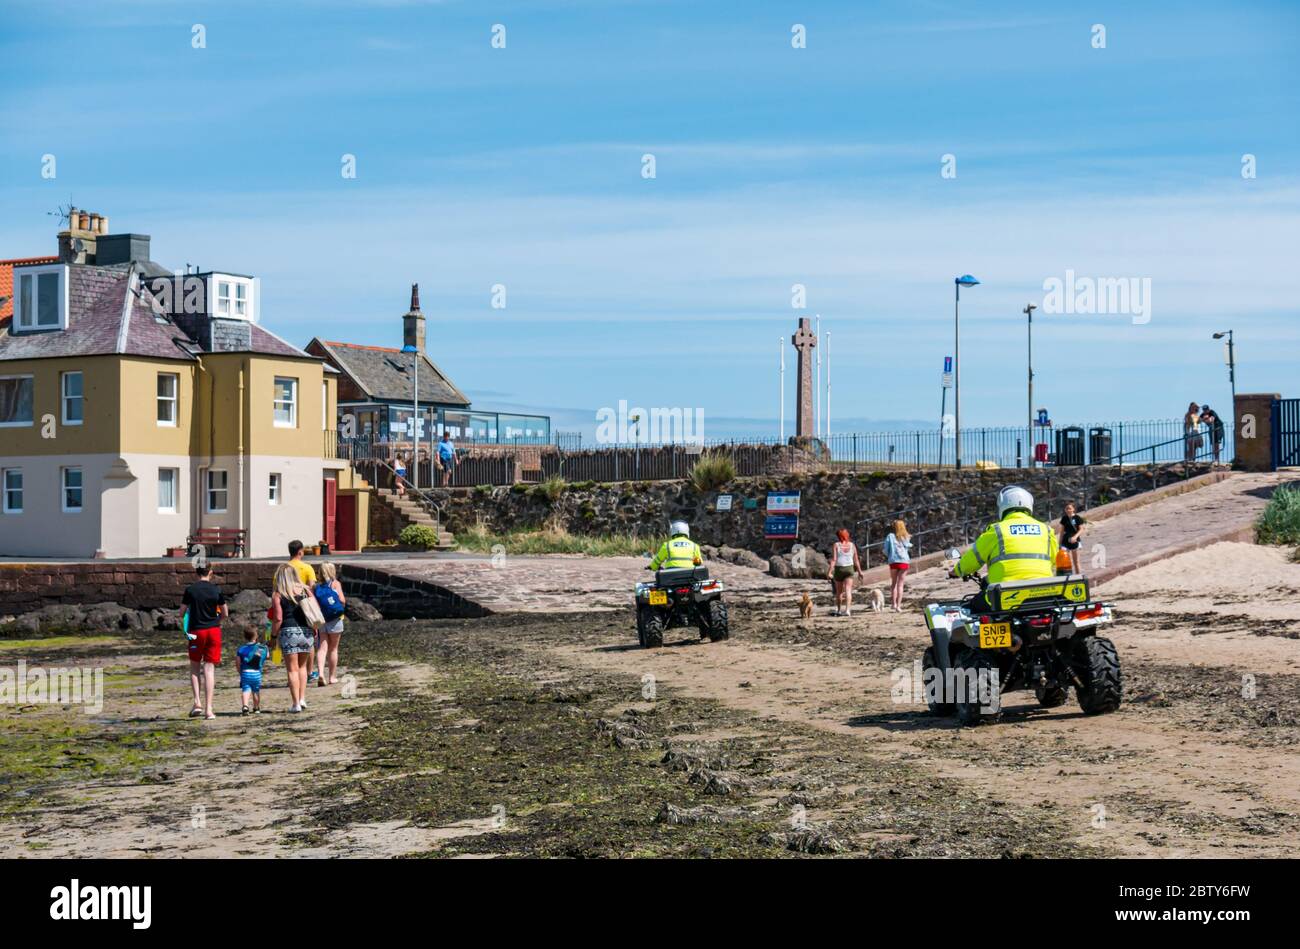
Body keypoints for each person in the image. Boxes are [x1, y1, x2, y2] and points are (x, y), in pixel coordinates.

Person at [951, 485, 1060, 612]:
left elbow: (973, 558)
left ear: (1003, 506)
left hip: (1004, 596)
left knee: (971, 608)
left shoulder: (997, 530)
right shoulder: (1046, 530)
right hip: (1043, 593)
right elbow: (1054, 559)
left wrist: (956, 571)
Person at [181, 564, 228, 720]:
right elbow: (225, 612)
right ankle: (209, 710)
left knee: (195, 666)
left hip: (196, 631)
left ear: (196, 573)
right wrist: (217, 620)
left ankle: (197, 703)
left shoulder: (190, 590)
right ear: (210, 573)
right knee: (209, 669)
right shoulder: (216, 590)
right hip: (213, 630)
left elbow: (182, 612)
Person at [270, 562, 315, 713]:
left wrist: (273, 636)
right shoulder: (306, 590)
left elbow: (278, 618)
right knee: (302, 667)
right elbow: (315, 610)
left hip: (289, 632)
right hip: (307, 631)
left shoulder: (278, 594)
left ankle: (295, 704)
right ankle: (302, 699)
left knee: (292, 670)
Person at [314, 562, 346, 686]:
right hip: (335, 620)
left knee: (322, 648)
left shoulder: (317, 587)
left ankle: (321, 673)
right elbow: (342, 600)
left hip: (322, 620)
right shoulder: (335, 584)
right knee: (333, 649)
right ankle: (332, 677)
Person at [826, 529, 863, 616]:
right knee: (848, 590)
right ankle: (847, 610)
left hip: (839, 569)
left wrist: (829, 572)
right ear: (847, 535)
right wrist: (860, 572)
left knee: (839, 592)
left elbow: (834, 560)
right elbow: (856, 560)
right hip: (849, 569)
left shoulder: (836, 545)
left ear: (839, 536)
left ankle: (839, 610)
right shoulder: (852, 545)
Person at [236, 628, 269, 715]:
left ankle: (245, 706)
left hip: (245, 673)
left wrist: (240, 672)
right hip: (257, 673)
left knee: (246, 690)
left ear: (245, 637)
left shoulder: (241, 649)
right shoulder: (261, 648)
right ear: (256, 636)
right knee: (256, 691)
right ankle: (256, 708)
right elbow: (267, 656)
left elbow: (238, 663)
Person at [883, 519, 912, 612]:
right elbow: (908, 547)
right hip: (904, 561)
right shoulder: (906, 536)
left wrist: (890, 556)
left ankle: (893, 604)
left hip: (894, 561)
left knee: (894, 584)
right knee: (901, 584)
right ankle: (899, 606)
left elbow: (885, 550)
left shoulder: (890, 536)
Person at [1057, 501, 1086, 574]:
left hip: (1075, 541)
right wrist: (1059, 543)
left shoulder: (1077, 518)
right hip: (1065, 541)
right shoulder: (1064, 518)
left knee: (1076, 561)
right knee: (1066, 561)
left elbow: (1081, 529)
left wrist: (1075, 537)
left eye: (1069, 508)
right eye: (1066, 508)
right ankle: (1068, 577)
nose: (1067, 510)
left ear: (1073, 509)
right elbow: (1062, 531)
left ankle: (1078, 577)